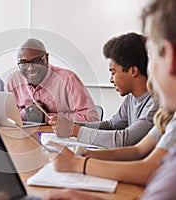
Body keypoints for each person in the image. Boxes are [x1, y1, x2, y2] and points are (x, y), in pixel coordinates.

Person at [43, 0, 176, 199]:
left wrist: (77, 158)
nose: (150, 68)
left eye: (154, 55)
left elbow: (133, 149)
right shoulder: (162, 112)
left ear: (170, 58)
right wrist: (82, 150)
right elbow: (135, 146)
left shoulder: (158, 105)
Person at [49, 32, 159, 148]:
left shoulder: (156, 104)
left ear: (133, 71)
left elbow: (125, 139)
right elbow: (112, 125)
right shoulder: (132, 97)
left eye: (113, 72)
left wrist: (75, 130)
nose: (111, 80)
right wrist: (72, 125)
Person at [6, 38, 99, 123]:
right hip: (26, 136)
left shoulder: (68, 79)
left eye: (36, 61)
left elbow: (91, 118)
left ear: (46, 58)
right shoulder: (13, 80)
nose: (30, 68)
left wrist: (46, 117)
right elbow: (7, 116)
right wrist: (24, 114)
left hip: (62, 138)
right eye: (24, 63)